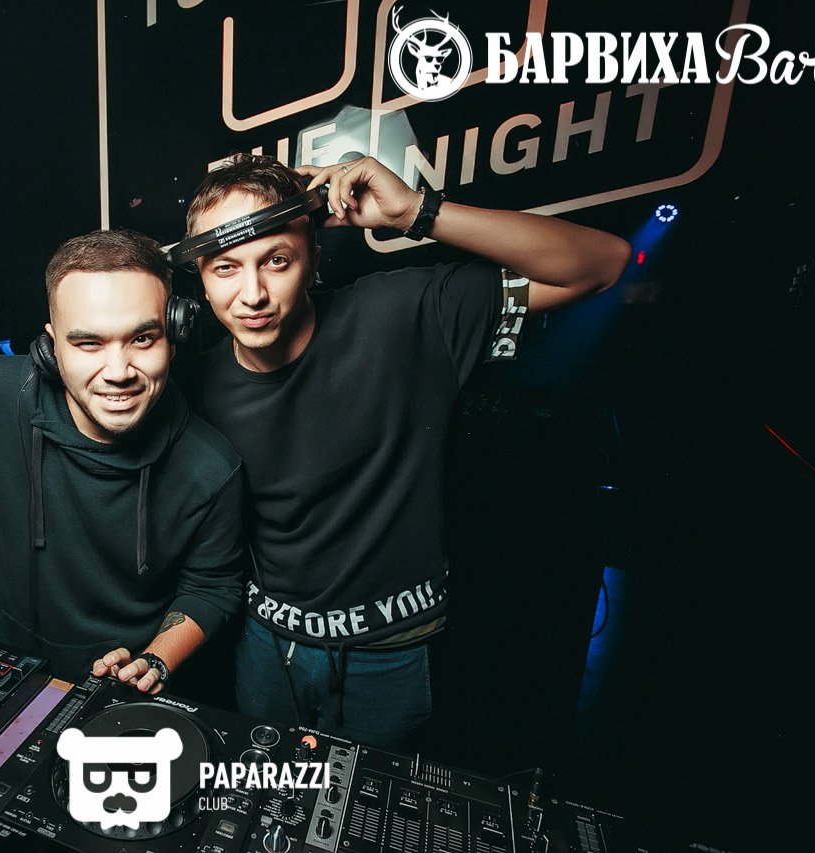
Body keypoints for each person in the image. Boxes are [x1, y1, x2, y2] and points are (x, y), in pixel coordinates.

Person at [188, 154, 631, 751]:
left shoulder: (404, 312)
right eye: (226, 267)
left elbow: (603, 264)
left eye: (277, 260)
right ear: (201, 277)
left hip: (391, 655)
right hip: (268, 647)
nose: (253, 294)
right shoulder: (195, 385)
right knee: (268, 800)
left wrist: (418, 213)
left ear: (313, 257)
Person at [0, 228, 246, 695]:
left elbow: (212, 587)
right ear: (51, 348)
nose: (118, 372)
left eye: (142, 338)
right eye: (88, 343)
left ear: (173, 336)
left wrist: (153, 661)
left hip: (117, 690)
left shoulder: (212, 466)